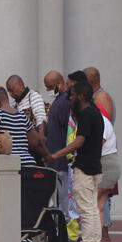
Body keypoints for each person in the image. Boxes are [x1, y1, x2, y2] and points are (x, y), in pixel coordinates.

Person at [46, 81, 105, 242]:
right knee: (92, 208)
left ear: (80, 96)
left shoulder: (87, 115)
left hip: (85, 168)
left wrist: (57, 154)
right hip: (95, 167)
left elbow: (79, 141)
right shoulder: (96, 113)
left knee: (85, 209)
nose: (70, 99)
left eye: (72, 96)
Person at [85, 65, 119, 242]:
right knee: (97, 197)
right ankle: (99, 234)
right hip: (100, 154)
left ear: (91, 81)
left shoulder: (101, 97)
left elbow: (103, 127)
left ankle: (103, 233)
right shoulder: (96, 97)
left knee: (101, 196)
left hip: (103, 156)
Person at [43, 70, 74, 215]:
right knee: (57, 200)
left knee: (63, 201)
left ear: (59, 83)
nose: (48, 90)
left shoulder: (64, 102)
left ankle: (65, 232)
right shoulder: (59, 101)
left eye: (50, 87)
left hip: (60, 160)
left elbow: (67, 131)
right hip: (55, 159)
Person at [98, 113, 121, 242]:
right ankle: (100, 238)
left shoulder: (102, 122)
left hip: (106, 165)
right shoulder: (103, 121)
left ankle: (97, 238)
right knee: (100, 204)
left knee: (94, 203)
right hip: (109, 165)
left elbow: (99, 144)